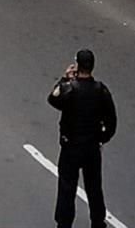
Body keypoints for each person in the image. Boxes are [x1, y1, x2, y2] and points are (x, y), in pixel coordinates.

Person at [48, 49, 117, 228]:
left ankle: (64, 223)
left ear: (77, 65)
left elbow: (53, 99)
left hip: (71, 148)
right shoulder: (101, 90)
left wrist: (64, 79)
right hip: (92, 148)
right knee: (94, 186)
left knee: (66, 187)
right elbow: (111, 122)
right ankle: (98, 221)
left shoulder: (68, 89)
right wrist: (101, 139)